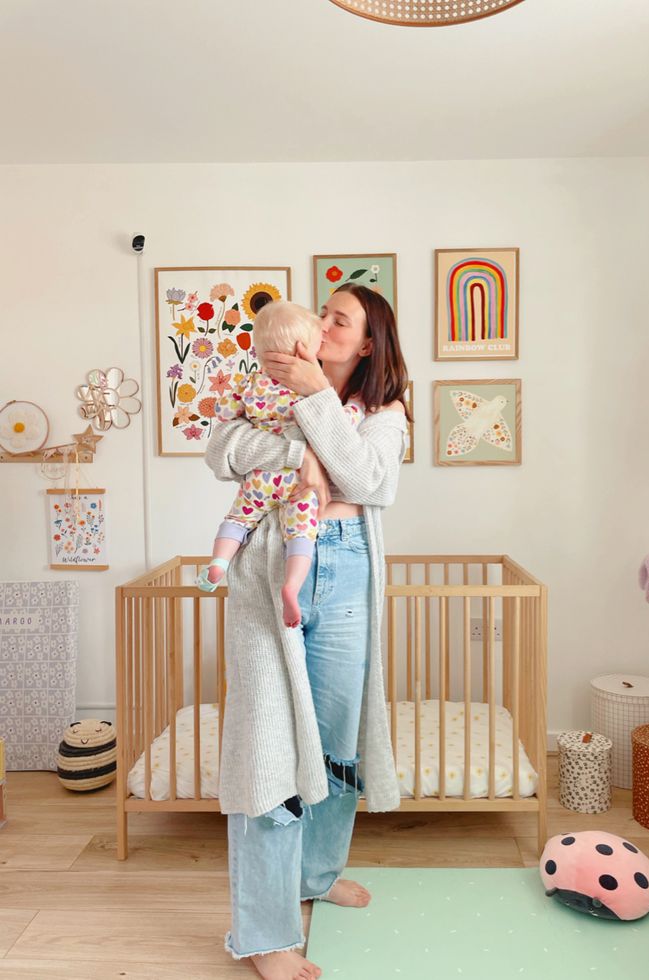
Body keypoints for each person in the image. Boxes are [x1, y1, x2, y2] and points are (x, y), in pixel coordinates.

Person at [205, 283, 410, 980]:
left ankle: (315, 877)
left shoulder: (382, 412)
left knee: (337, 743)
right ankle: (263, 933)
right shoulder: (268, 382)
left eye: (339, 319)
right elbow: (223, 450)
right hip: (272, 575)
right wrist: (299, 458)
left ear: (366, 343)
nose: (321, 324)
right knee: (268, 746)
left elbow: (369, 480)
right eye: (321, 312)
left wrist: (317, 399)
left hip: (347, 570)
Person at [196, 300, 363, 628]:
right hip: (296, 485)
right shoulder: (310, 394)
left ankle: (218, 561)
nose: (325, 330)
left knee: (237, 518)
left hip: (259, 481)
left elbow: (226, 415)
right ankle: (292, 585)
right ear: (304, 350)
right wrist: (354, 409)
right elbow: (339, 422)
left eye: (338, 321)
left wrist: (244, 422)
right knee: (300, 531)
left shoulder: (250, 383)